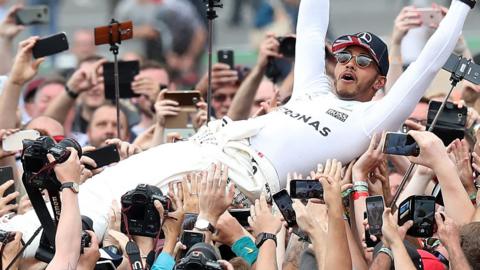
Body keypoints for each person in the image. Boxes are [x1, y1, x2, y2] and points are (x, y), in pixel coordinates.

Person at [4, 0, 477, 258]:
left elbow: (428, 62)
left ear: (381, 80)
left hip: (237, 178)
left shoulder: (373, 118)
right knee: (102, 184)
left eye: (364, 61)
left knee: (114, 210)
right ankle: (14, 234)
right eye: (345, 55)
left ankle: (44, 255)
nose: (349, 64)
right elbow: (312, 25)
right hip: (207, 144)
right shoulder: (311, 88)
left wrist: (461, 4)